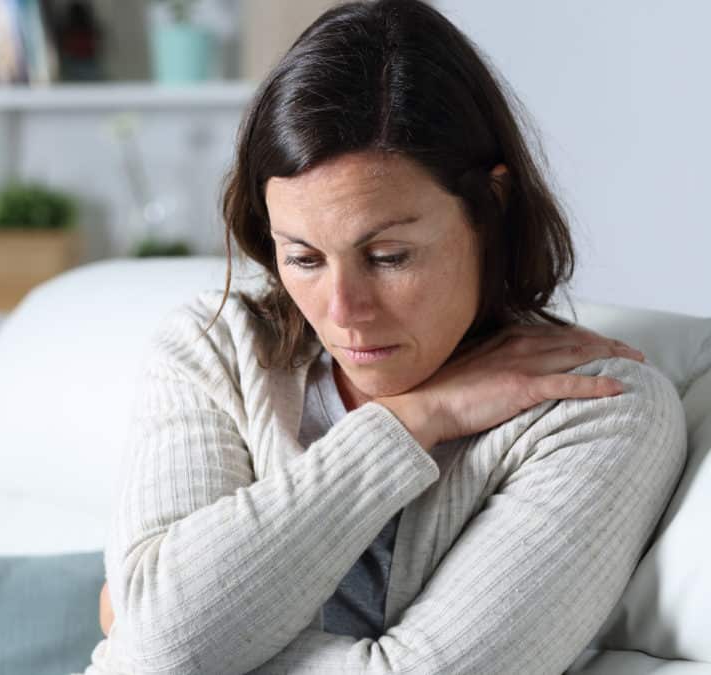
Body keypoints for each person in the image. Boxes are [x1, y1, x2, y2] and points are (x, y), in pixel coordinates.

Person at [81, 1, 687, 673]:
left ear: (491, 205)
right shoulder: (214, 348)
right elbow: (165, 641)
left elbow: (158, 646)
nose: (344, 310)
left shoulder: (598, 406)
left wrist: (150, 633)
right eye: (303, 258)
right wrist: (413, 419)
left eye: (388, 256)